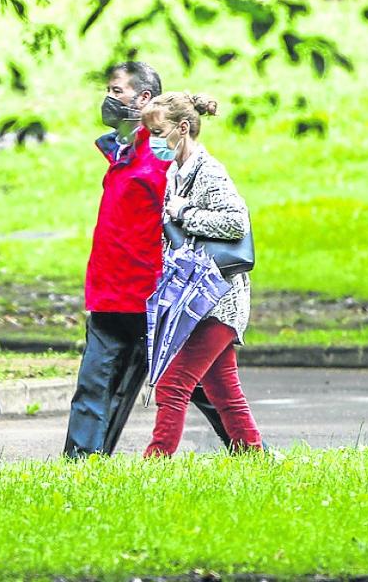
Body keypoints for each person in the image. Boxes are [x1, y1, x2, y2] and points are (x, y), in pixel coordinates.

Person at [63, 62, 232, 457]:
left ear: (143, 99)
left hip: (151, 294)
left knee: (196, 384)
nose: (109, 97)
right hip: (110, 292)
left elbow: (187, 219)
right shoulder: (121, 153)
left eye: (117, 90)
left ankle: (247, 448)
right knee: (95, 384)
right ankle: (78, 466)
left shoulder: (160, 158)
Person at [141, 92, 262, 456]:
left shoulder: (208, 171)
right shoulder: (176, 172)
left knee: (173, 385)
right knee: (223, 389)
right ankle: (256, 459)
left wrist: (184, 213)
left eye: (158, 132)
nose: (153, 141)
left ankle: (155, 463)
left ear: (182, 128)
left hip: (218, 301)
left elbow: (236, 223)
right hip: (199, 299)